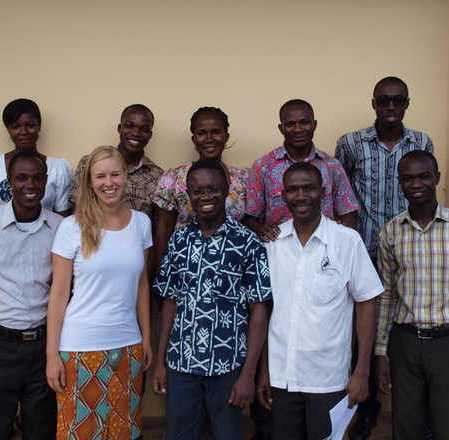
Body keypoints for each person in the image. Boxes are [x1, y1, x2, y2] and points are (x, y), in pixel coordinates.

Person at [335, 77, 433, 440]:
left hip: (410, 254)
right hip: (362, 254)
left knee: (405, 332)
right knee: (362, 336)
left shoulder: (421, 142)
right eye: (384, 101)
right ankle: (365, 411)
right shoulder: (350, 143)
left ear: (407, 103)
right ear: (373, 103)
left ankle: (415, 413)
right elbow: (340, 194)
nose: (391, 107)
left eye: (398, 101)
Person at [256, 163, 382, 440]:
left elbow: (366, 304)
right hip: (281, 377)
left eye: (309, 188)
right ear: (283, 194)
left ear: (323, 192)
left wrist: (362, 371)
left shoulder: (347, 241)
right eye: (293, 189)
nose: (301, 196)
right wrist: (263, 371)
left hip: (329, 378)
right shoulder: (272, 244)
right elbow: (265, 311)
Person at [152, 160, 271, 440]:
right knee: (180, 435)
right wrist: (161, 362)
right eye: (198, 191)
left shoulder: (249, 243)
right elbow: (169, 302)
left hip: (229, 366)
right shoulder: (178, 241)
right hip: (181, 364)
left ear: (228, 191)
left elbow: (259, 310)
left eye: (214, 189)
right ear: (188, 195)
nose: (206, 197)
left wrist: (249, 374)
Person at [375, 150, 449, 440]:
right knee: (406, 427)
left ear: (436, 178)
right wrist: (381, 353)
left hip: (448, 345)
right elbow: (387, 295)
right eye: (408, 178)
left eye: (424, 176)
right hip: (405, 343)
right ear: (399, 182)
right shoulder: (390, 233)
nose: (417, 184)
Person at [46, 146, 153, 440]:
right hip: (80, 348)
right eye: (100, 176)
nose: (109, 183)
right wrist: (51, 354)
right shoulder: (72, 227)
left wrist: (146, 338)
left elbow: (142, 283)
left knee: (123, 432)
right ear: (90, 182)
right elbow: (58, 293)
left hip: (127, 347)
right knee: (80, 433)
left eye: (115, 174)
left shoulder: (142, 224)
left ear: (125, 175)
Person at [0, 151, 63, 440]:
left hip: (44, 347)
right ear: (9, 182)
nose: (30, 184)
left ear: (46, 181)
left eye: (37, 178)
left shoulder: (60, 228)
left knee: (41, 432)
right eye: (21, 178)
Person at [245, 98, 358, 243]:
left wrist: (344, 243)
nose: (298, 129)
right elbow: (250, 218)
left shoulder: (332, 166)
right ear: (281, 128)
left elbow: (348, 214)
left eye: (304, 122)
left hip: (324, 248)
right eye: (290, 124)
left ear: (314, 124)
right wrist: (261, 229)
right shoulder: (263, 166)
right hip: (279, 248)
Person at [153, 106, 247, 274]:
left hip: (231, 269)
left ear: (226, 137)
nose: (209, 138)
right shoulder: (173, 178)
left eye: (216, 132)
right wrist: (161, 272)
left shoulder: (243, 179)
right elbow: (164, 228)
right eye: (202, 133)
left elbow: (248, 226)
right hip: (183, 268)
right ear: (194, 139)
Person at [0, 98, 73, 217]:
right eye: (15, 127)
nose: (23, 132)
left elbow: (62, 221)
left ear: (39, 126)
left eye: (30, 125)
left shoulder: (58, 168)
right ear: (8, 129)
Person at [68, 103, 163, 220]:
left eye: (144, 129)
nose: (136, 133)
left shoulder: (158, 176)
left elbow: (155, 225)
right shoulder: (88, 163)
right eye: (129, 126)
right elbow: (76, 208)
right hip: (89, 235)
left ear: (150, 135)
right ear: (120, 128)